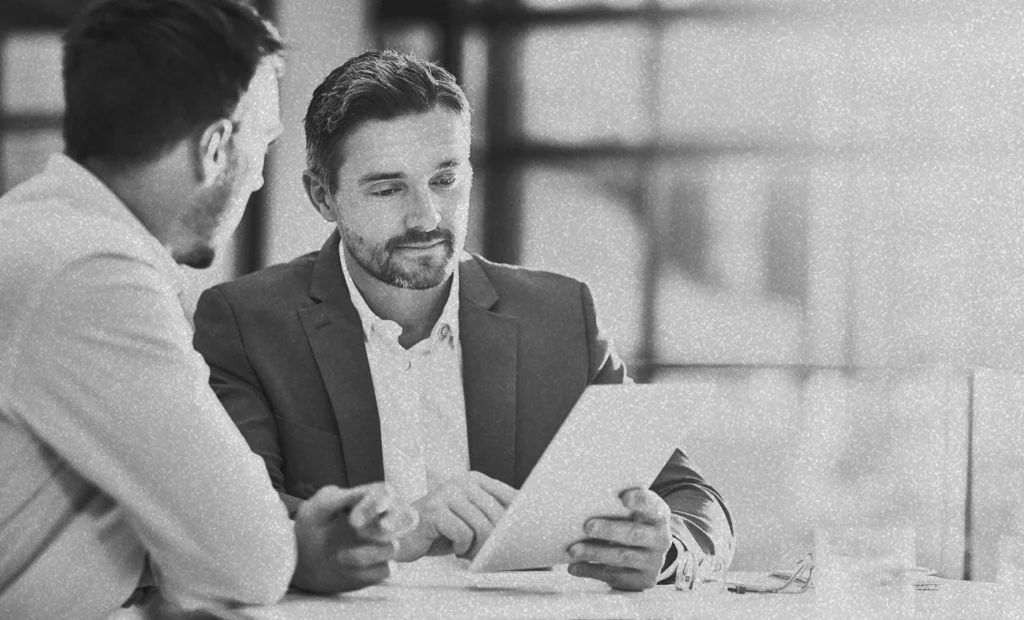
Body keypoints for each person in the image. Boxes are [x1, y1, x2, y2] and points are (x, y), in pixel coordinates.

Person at [192, 49, 735, 592]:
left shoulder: (559, 315)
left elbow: (694, 500)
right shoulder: (245, 323)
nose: (426, 217)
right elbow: (226, 519)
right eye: (387, 188)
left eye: (445, 180)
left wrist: (667, 549)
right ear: (322, 196)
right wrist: (407, 527)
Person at [0, 3, 414, 619]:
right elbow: (247, 560)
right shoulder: (94, 273)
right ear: (216, 148)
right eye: (263, 148)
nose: (257, 181)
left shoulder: (37, 231)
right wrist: (288, 542)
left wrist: (279, 530)